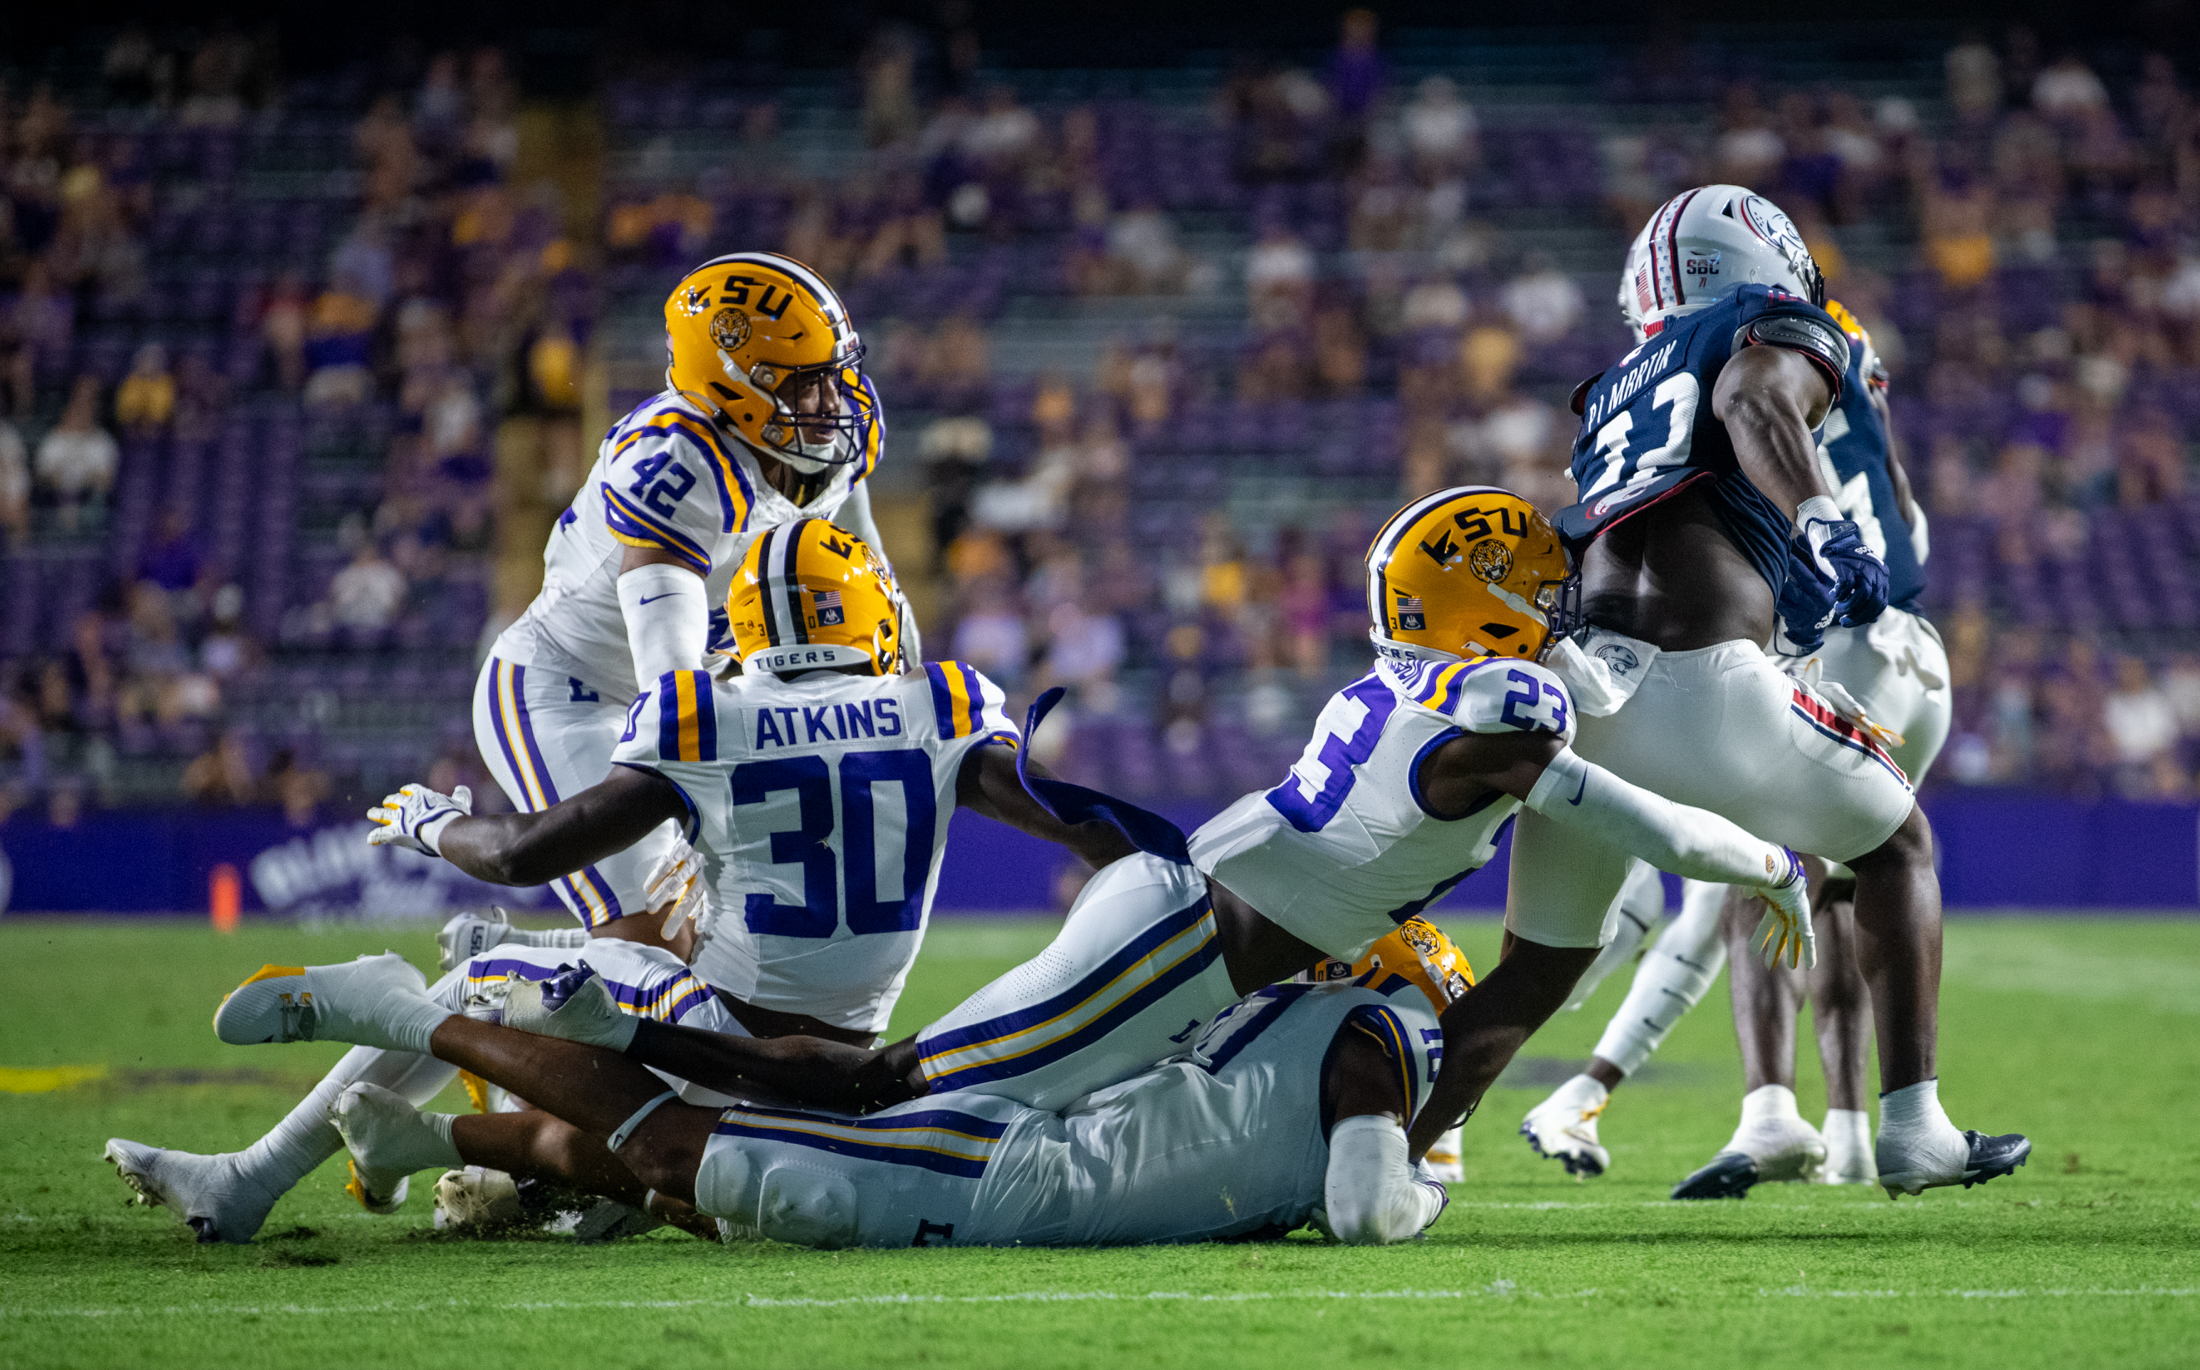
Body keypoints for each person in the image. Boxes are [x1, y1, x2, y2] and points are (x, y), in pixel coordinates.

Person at [319, 488, 1817, 1164]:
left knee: (920, 1105)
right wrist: (1765, 860)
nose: (1555, 614)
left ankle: (497, 1138)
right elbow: (1638, 816)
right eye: (1532, 594)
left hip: (1205, 920)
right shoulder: (1505, 713)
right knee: (880, 1095)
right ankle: (499, 1034)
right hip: (1179, 943)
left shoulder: (1449, 680)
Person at [109, 523, 1097, 1244]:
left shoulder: (709, 712)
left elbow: (529, 851)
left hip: (713, 1019)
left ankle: (303, 1156)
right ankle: (367, 1143)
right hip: (823, 1060)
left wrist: (435, 823)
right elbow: (1072, 818)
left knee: (508, 1004)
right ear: (874, 614)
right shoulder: (947, 701)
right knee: (630, 1074)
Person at [1501, 185, 2023, 1198]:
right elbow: (1903, 514)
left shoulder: (1713, 360)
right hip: (1901, 628)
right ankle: (1851, 1129)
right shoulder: (1829, 338)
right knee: (1843, 861)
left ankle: (1769, 1111)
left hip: (1817, 628)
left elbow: (1752, 427)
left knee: (1774, 872)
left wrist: (1811, 546)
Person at [215, 922, 1472, 1249]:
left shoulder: (1278, 1022)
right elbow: (1368, 1201)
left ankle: (430, 1135)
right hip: (1005, 1177)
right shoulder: (1371, 1031)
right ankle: (400, 1006)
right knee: (698, 1159)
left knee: (719, 1186)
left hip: (1025, 1144)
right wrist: (1425, 1183)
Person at [478, 251, 907, 939]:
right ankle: (433, 996)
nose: (831, 404)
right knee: (653, 941)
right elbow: (667, 679)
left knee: (739, 947)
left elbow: (860, 549)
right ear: (729, 382)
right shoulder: (677, 463)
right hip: (572, 691)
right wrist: (685, 814)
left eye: (834, 375)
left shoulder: (833, 433)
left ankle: (506, 960)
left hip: (700, 699)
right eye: (802, 385)